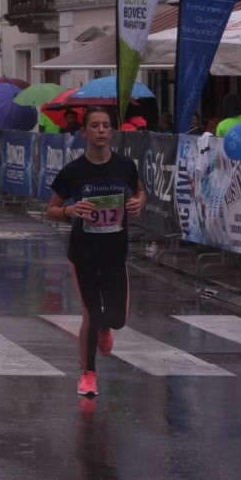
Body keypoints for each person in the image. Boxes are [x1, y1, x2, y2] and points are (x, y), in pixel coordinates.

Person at [46, 107, 145, 397]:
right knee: (91, 313)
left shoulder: (124, 166)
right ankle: (87, 373)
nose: (101, 130)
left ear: (112, 132)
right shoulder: (74, 171)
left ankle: (105, 328)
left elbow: (140, 191)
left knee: (117, 319)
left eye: (105, 125)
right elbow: (51, 210)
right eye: (95, 125)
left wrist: (139, 202)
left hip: (115, 251)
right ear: (84, 132)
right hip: (83, 252)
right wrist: (69, 210)